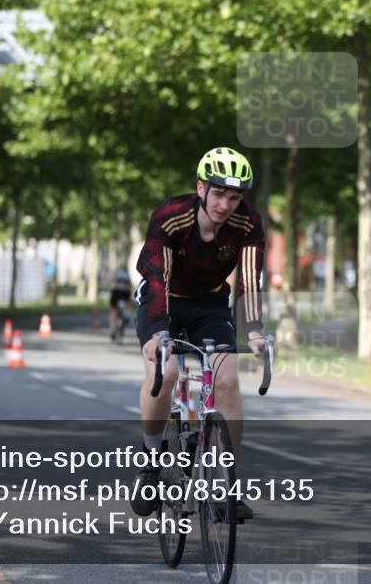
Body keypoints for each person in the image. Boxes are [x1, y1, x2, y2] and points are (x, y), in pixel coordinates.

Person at [130, 146, 267, 522]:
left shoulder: (248, 223)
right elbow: (157, 278)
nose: (226, 204)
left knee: (226, 380)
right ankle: (151, 464)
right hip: (165, 300)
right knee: (167, 373)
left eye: (234, 197)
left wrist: (254, 330)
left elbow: (250, 280)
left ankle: (227, 485)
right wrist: (158, 332)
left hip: (209, 304)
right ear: (201, 188)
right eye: (219, 193)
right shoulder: (172, 217)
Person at [109, 269, 133, 340]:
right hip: (126, 292)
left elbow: (111, 285)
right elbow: (130, 287)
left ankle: (113, 328)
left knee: (113, 309)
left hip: (116, 292)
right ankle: (127, 314)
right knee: (128, 302)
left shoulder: (116, 273)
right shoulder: (127, 275)